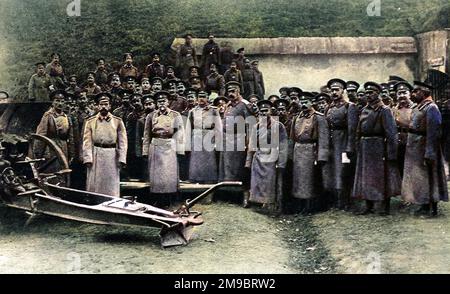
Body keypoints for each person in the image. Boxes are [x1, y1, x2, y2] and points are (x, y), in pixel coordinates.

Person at [352, 82, 400, 215]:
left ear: (378, 93)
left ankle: (385, 206)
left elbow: (391, 133)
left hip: (379, 147)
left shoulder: (384, 110)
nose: (368, 95)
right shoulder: (364, 109)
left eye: (371, 92)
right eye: (366, 93)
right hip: (365, 147)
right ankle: (369, 205)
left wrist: (391, 153)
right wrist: (357, 146)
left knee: (383, 176)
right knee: (366, 177)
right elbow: (358, 130)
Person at [401, 81, 448, 216]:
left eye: (416, 91)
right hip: (415, 148)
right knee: (419, 178)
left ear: (424, 92)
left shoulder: (431, 108)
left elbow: (434, 132)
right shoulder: (418, 107)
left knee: (430, 177)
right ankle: (423, 203)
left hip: (425, 147)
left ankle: (432, 207)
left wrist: (430, 151)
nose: (412, 94)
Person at [290, 93, 329, 213]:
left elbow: (324, 138)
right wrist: (290, 155)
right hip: (298, 150)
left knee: (310, 180)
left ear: (312, 103)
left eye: (306, 102)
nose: (303, 104)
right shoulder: (297, 117)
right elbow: (292, 137)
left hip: (311, 150)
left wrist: (321, 156)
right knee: (298, 181)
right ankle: (299, 205)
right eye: (301, 102)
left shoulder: (319, 117)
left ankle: (310, 206)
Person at [246, 100, 288, 212]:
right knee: (258, 182)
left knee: (270, 183)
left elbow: (283, 145)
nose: (264, 113)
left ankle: (271, 205)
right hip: (259, 158)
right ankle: (259, 203)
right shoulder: (256, 127)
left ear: (271, 111)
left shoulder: (279, 126)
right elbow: (251, 145)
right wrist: (248, 162)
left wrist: (281, 163)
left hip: (272, 158)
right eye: (261, 111)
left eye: (266, 111)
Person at [82, 92, 127, 197]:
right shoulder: (90, 122)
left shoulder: (118, 122)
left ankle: (111, 202)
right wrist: (88, 158)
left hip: (112, 156)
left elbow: (123, 142)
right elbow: (87, 142)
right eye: (101, 104)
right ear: (97, 106)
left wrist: (122, 158)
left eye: (106, 104)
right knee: (95, 184)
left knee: (111, 184)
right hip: (96, 154)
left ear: (110, 106)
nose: (103, 107)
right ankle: (94, 202)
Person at [323, 78, 358, 210]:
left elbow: (352, 129)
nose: (334, 92)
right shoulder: (329, 107)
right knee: (332, 171)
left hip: (343, 144)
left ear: (343, 91)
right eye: (332, 90)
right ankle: (335, 200)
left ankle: (346, 201)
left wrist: (350, 147)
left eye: (337, 90)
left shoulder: (350, 107)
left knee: (343, 171)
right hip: (332, 144)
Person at [142, 91, 185, 195]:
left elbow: (180, 133)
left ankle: (170, 196)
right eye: (159, 101)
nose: (161, 103)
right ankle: (157, 196)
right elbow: (147, 134)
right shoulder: (151, 116)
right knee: (156, 174)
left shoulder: (175, 115)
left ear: (168, 102)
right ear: (156, 103)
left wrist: (180, 149)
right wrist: (145, 151)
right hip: (155, 145)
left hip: (170, 145)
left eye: (163, 101)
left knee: (169, 172)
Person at [186, 92, 223, 183]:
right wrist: (187, 144)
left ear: (207, 98)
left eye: (204, 97)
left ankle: (209, 180)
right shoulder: (193, 111)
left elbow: (218, 128)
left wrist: (218, 143)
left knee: (209, 161)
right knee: (196, 161)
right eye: (199, 97)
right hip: (196, 137)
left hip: (209, 137)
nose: (201, 99)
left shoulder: (213, 111)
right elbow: (188, 128)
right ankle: (194, 179)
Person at [35, 90, 76, 164]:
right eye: (57, 101)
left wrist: (72, 153)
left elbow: (71, 137)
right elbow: (41, 135)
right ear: (52, 102)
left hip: (64, 149)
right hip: (51, 148)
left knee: (64, 170)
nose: (60, 104)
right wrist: (38, 155)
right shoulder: (48, 115)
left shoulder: (66, 117)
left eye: (62, 101)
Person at [392, 81, 414, 177]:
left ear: (410, 94)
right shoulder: (393, 110)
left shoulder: (415, 108)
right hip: (398, 142)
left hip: (412, 141)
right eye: (399, 93)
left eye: (404, 93)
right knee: (399, 167)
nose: (401, 96)